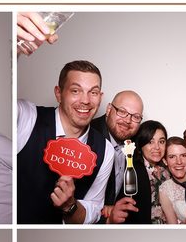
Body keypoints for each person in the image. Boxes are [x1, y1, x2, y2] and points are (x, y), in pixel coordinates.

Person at [17, 60, 115, 224]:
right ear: (58, 93)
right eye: (75, 90)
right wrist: (17, 51)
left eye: (93, 92)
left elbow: (92, 212)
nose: (85, 100)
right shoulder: (28, 117)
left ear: (100, 97)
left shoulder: (105, 150)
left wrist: (70, 206)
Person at [89, 91, 145, 219]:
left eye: (136, 117)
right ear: (109, 109)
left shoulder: (134, 143)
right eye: (122, 111)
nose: (127, 121)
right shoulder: (87, 135)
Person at [108, 120, 169, 224]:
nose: (157, 147)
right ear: (141, 145)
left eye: (161, 141)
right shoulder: (131, 170)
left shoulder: (167, 171)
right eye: (150, 142)